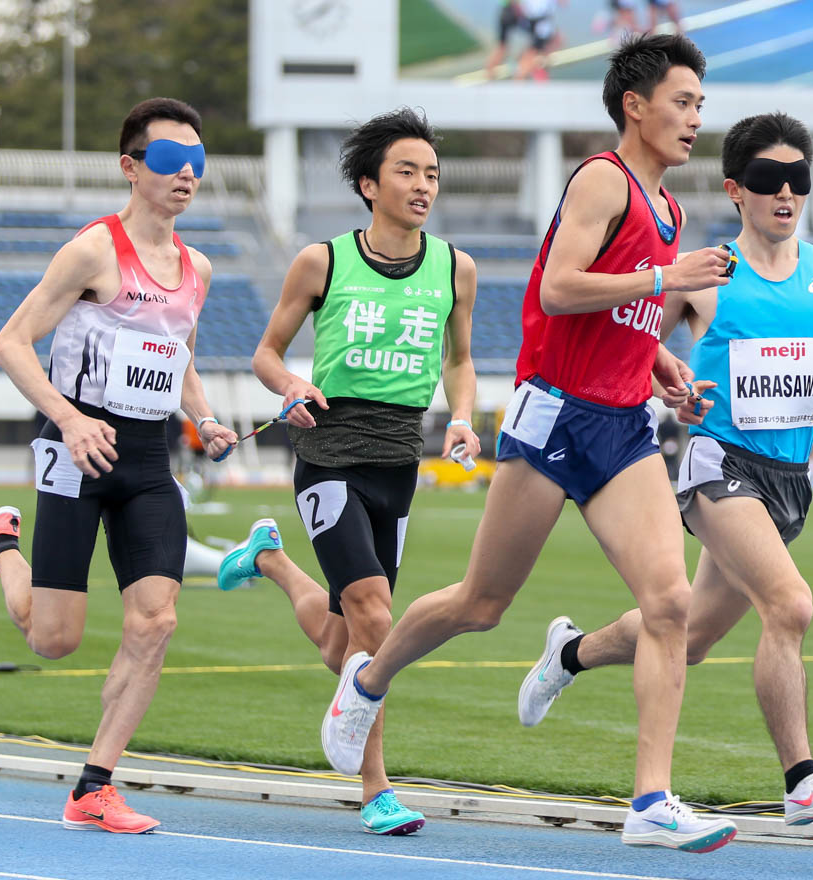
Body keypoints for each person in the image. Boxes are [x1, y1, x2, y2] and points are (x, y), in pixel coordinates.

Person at [322, 34, 740, 855]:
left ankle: (651, 801)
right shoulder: (599, 179)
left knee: (670, 603)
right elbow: (558, 288)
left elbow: (619, 312)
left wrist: (661, 364)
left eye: (700, 105)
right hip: (551, 416)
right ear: (635, 105)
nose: (696, 119)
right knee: (482, 604)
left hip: (621, 427)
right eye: (684, 102)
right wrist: (668, 280)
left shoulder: (670, 209)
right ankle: (366, 682)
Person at [518, 111, 813, 828]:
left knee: (687, 635)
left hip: (788, 480)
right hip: (719, 467)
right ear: (735, 190)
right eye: (767, 180)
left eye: (797, 180)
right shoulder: (703, 273)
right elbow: (631, 348)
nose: (785, 193)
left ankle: (569, 654)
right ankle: (802, 781)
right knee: (791, 605)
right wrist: (676, 390)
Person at [0, 97, 238, 834]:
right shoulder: (92, 252)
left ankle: (94, 785)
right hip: (74, 446)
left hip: (147, 457)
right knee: (55, 638)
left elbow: (179, 354)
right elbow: (11, 343)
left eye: (197, 163)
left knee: (156, 620)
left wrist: (201, 418)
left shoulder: (195, 266)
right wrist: (72, 420)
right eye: (170, 162)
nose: (186, 176)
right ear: (130, 167)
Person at [215, 107, 479, 836]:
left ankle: (267, 559)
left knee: (342, 643)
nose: (423, 185)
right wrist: (290, 387)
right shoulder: (322, 261)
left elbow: (460, 361)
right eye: (407, 171)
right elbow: (266, 354)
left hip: (399, 464)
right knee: (372, 615)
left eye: (431, 173)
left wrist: (462, 417)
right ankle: (376, 789)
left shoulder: (456, 267)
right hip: (329, 456)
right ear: (369, 184)